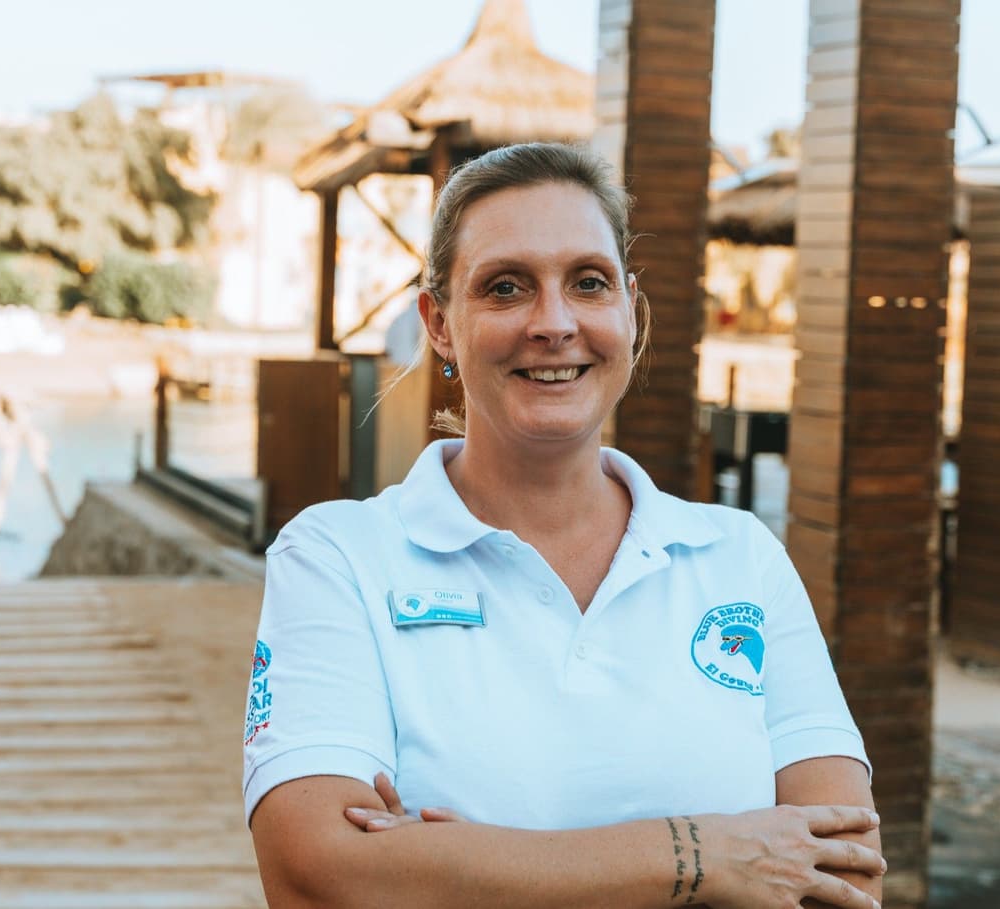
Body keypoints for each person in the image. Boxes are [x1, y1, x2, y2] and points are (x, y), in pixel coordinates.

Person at [244, 143, 884, 908]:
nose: (554, 323)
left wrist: (455, 863)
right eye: (506, 288)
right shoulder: (337, 557)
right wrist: (709, 853)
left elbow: (843, 873)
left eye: (588, 283)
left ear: (628, 309)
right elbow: (316, 875)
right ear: (438, 324)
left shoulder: (739, 557)